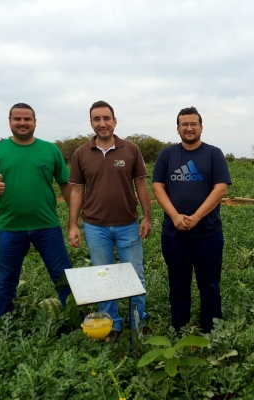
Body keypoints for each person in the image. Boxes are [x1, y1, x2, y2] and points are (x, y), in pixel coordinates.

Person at [0, 103, 72, 316]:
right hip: (10, 227)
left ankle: (75, 317)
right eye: (17, 119)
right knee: (6, 278)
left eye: (27, 119)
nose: (22, 123)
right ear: (10, 122)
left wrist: (74, 218)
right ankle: (3, 319)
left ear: (35, 122)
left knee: (63, 276)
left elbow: (65, 183)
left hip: (47, 226)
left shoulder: (50, 150)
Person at [68, 100, 151, 340]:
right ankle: (112, 324)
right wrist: (73, 224)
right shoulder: (81, 153)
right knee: (103, 277)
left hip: (128, 225)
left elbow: (141, 185)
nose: (102, 123)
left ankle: (138, 321)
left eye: (106, 118)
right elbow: (76, 190)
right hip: (95, 227)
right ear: (91, 123)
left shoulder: (131, 149)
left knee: (135, 275)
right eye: (97, 119)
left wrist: (147, 216)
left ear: (115, 121)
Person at [152, 106, 231, 333]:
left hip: (208, 232)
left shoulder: (213, 154)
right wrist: (175, 216)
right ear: (177, 129)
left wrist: (196, 217)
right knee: (178, 284)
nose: (189, 128)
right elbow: (158, 187)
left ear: (201, 127)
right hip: (174, 233)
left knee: (210, 284)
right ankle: (179, 327)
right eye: (184, 124)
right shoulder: (167, 155)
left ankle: (211, 330)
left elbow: (220, 188)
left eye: (193, 124)